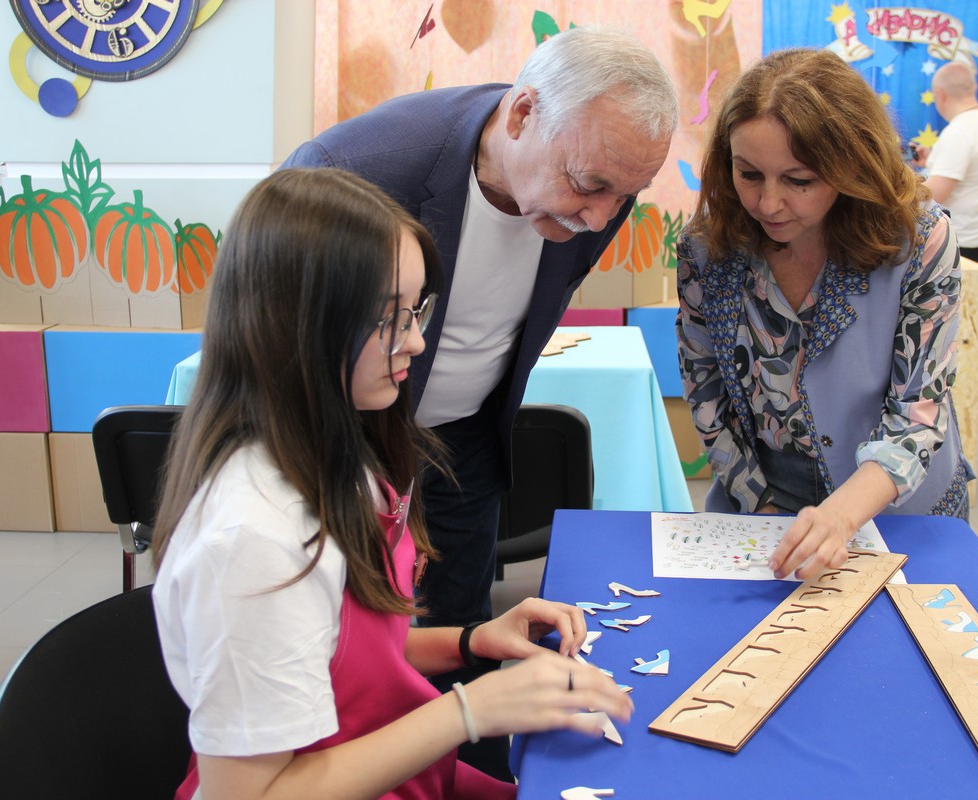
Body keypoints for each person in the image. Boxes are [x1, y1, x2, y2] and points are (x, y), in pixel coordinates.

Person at [150, 168, 633, 800]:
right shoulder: (253, 541)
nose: (417, 340)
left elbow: (347, 657)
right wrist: (470, 711)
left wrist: (471, 641)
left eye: (417, 310)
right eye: (390, 318)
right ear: (297, 325)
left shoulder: (342, 455)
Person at [283, 28, 674, 777]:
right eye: (589, 186)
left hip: (465, 440)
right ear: (522, 114)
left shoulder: (599, 181)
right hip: (343, 446)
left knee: (456, 629)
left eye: (623, 197)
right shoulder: (357, 172)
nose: (600, 219)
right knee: (337, 657)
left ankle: (448, 777)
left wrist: (470, 669)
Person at [676, 49, 972, 584]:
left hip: (896, 504)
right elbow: (706, 391)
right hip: (761, 496)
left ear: (850, 164)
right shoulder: (707, 248)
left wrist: (840, 516)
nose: (769, 203)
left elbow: (917, 411)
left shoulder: (919, 240)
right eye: (749, 174)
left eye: (799, 180)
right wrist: (761, 507)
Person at [924, 62, 978, 349]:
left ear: (940, 94)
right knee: (973, 336)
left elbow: (933, 195)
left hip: (958, 246)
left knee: (951, 342)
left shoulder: (960, 132)